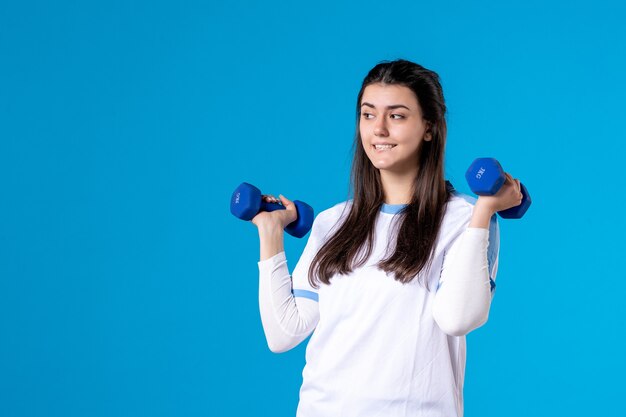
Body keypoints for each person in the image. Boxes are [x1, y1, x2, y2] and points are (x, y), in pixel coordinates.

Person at [251, 59, 523, 417]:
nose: (378, 129)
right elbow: (284, 332)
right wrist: (270, 233)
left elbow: (459, 318)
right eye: (368, 115)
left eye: (396, 116)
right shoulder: (334, 222)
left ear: (429, 127)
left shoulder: (462, 219)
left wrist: (484, 210)